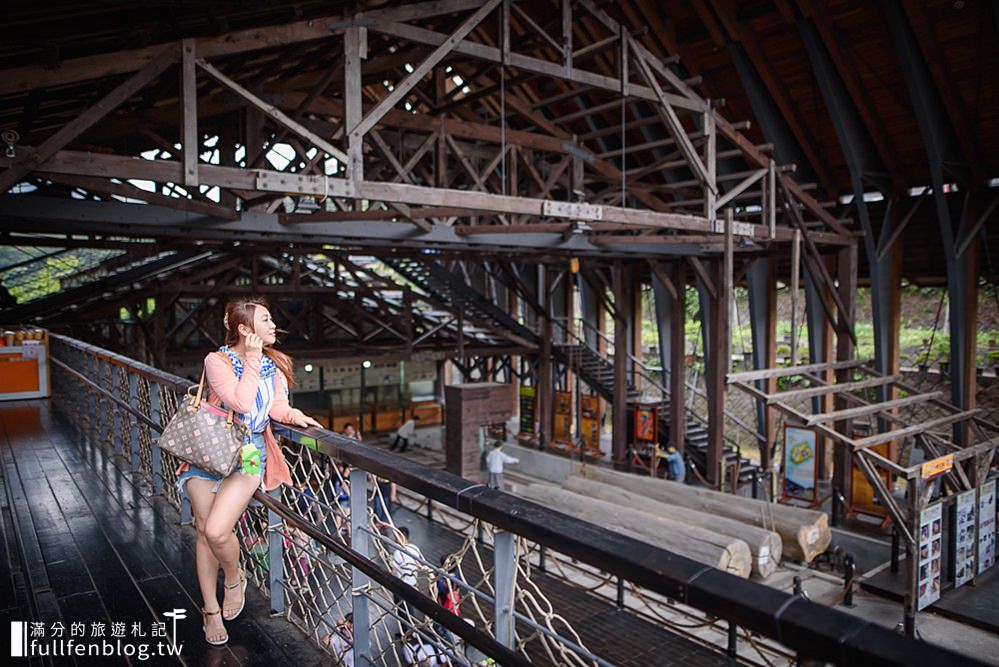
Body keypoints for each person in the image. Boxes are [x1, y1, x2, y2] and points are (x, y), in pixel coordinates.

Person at [174, 298, 321, 646]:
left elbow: (276, 406)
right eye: (266, 320)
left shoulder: (277, 363)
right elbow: (239, 402)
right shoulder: (218, 361)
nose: (274, 326)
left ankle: (233, 577)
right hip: (208, 451)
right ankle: (210, 609)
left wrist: (293, 416)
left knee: (217, 530)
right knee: (204, 532)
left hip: (252, 452)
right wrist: (253, 359)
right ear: (244, 329)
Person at [390, 526, 425, 635]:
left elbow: (393, 571)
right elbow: (418, 565)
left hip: (401, 587)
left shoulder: (398, 553)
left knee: (402, 611)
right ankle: (412, 631)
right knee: (409, 609)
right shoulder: (414, 548)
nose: (395, 539)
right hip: (413, 584)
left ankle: (407, 633)